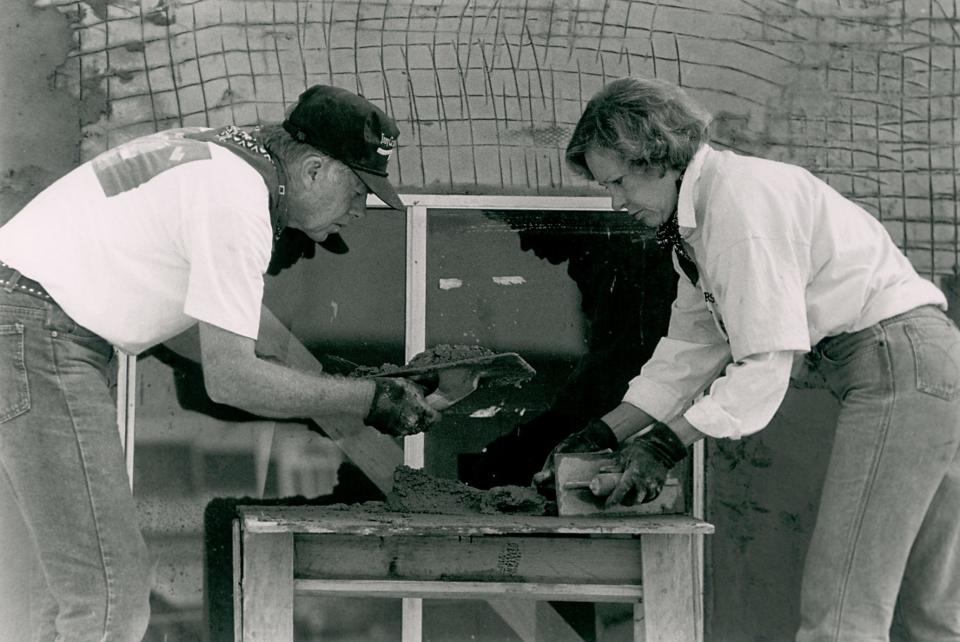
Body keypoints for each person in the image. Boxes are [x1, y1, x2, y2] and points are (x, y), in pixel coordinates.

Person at [0, 85, 441, 641]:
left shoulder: (224, 158)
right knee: (110, 603)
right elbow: (233, 379)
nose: (359, 210)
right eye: (358, 189)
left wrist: (330, 383)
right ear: (311, 170)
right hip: (39, 337)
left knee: (71, 600)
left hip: (29, 326)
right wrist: (370, 399)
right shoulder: (238, 203)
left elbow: (207, 343)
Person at [535, 76, 960, 641]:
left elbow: (763, 365)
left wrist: (664, 444)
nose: (616, 202)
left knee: (840, 619)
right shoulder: (699, 223)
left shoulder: (738, 206)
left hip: (897, 366)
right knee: (929, 615)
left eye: (618, 182)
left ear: (657, 156)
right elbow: (687, 354)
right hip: (928, 366)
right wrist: (601, 435)